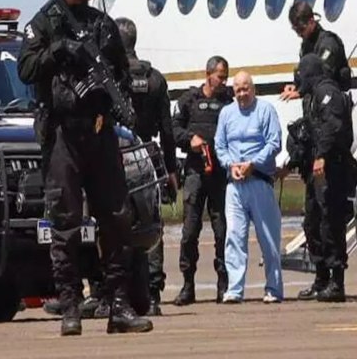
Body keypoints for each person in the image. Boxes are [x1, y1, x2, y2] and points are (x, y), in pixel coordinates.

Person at [18, 0, 152, 336]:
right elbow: (25, 68)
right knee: (65, 223)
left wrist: (119, 101)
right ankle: (71, 307)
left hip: (98, 130)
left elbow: (121, 72)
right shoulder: (44, 23)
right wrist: (59, 50)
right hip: (62, 133)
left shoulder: (102, 25)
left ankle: (119, 306)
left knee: (116, 219)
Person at [115, 16, 178, 316]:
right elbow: (167, 130)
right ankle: (153, 294)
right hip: (148, 155)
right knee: (151, 222)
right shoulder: (155, 79)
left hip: (117, 153)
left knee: (111, 223)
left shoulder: (113, 77)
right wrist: (171, 171)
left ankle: (113, 292)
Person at [214, 71, 283, 303]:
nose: (242, 94)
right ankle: (234, 289)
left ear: (253, 89)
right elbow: (220, 145)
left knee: (268, 238)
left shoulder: (265, 111)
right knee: (234, 237)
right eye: (238, 90)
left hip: (259, 181)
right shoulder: (226, 113)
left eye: (246, 89)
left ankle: (273, 289)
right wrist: (230, 164)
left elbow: (274, 143)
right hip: (234, 185)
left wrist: (253, 164)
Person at [172, 56, 232, 305]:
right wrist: (190, 140)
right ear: (208, 74)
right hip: (196, 172)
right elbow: (173, 129)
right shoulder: (189, 100)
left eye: (226, 77)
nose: (223, 81)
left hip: (219, 173)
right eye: (220, 76)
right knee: (189, 232)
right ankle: (188, 285)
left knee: (222, 231)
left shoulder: (228, 100)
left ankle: (223, 284)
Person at [295, 53, 353, 303]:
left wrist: (323, 156)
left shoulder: (327, 92)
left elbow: (333, 127)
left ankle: (337, 281)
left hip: (332, 168)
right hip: (315, 170)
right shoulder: (311, 97)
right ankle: (321, 277)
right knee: (312, 222)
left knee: (331, 222)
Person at [280, 1, 351, 102]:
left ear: (311, 22)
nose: (299, 34)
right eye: (296, 30)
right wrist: (296, 85)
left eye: (301, 29)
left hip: (331, 105)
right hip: (315, 106)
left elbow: (323, 75)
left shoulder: (328, 43)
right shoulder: (306, 45)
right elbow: (306, 74)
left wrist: (301, 92)